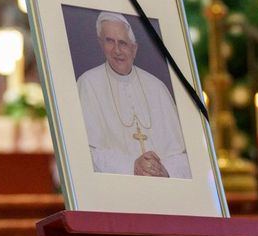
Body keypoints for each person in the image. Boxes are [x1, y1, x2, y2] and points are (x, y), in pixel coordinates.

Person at [77, 11, 192, 179]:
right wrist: (131, 166)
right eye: (109, 41)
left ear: (134, 48)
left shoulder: (157, 87)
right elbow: (83, 153)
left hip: (164, 193)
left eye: (123, 43)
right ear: (100, 43)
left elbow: (185, 156)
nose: (117, 50)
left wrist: (164, 170)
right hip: (114, 194)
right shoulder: (88, 83)